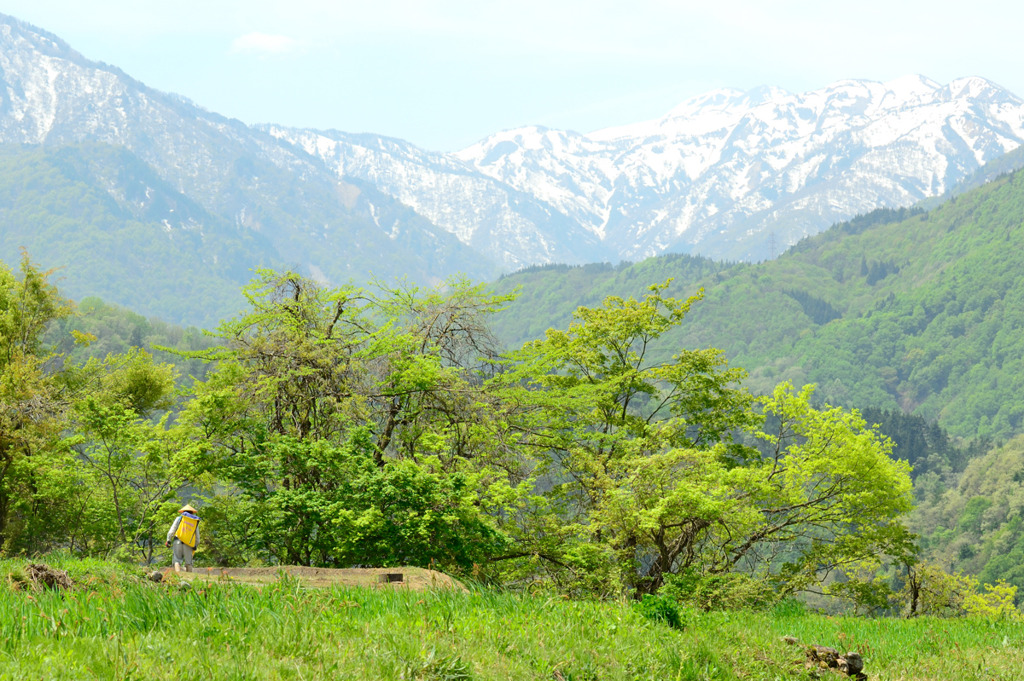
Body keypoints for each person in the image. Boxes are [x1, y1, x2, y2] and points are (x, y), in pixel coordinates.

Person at [165, 504, 200, 573]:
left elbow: (172, 530)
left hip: (178, 540)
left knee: (177, 560)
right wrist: (195, 545)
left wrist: (168, 540)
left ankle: (178, 576)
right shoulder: (194, 521)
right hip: (189, 543)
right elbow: (197, 536)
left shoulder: (179, 518)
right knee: (188, 562)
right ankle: (189, 578)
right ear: (192, 512)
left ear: (183, 512)